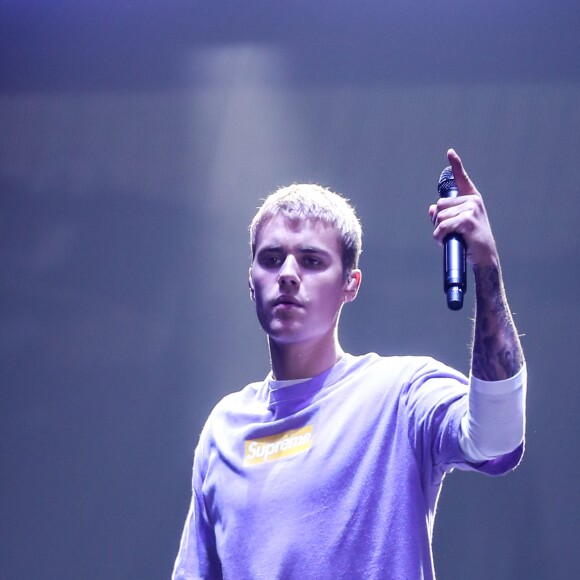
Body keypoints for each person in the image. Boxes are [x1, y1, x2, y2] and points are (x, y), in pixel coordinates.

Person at [172, 149, 526, 579]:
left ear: (349, 285)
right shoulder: (224, 430)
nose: (287, 273)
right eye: (270, 258)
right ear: (251, 280)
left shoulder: (401, 394)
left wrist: (485, 266)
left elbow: (498, 437)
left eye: (311, 260)